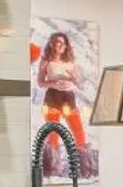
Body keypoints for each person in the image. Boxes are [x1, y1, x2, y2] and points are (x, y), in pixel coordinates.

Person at [33, 30, 90, 161]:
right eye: (58, 42)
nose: (61, 45)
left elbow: (80, 83)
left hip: (69, 97)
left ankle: (83, 163)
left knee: (79, 133)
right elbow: (40, 82)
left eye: (63, 43)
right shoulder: (46, 61)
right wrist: (53, 84)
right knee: (53, 134)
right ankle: (52, 165)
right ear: (52, 43)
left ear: (66, 46)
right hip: (53, 97)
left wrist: (75, 79)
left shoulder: (70, 62)